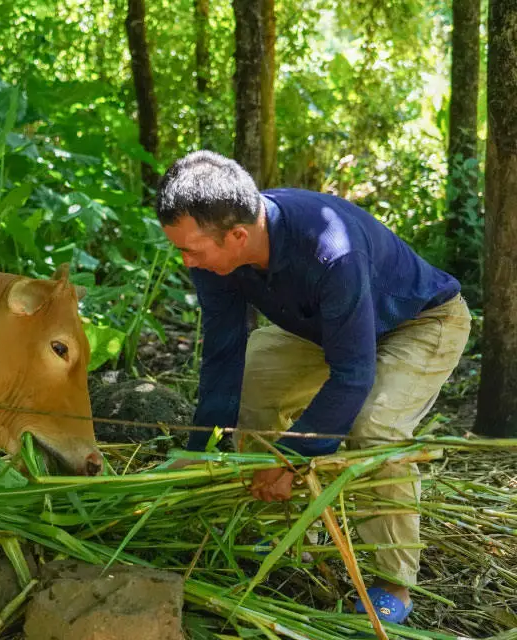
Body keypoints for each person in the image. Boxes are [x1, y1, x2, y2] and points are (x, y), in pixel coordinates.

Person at [157, 150, 471, 624]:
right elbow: (224, 352)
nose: (186, 261)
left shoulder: (331, 248)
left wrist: (294, 457)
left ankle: (394, 585)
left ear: (238, 235)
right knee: (253, 371)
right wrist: (202, 449)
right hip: (329, 328)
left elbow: (353, 373)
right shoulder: (214, 260)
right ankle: (281, 528)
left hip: (418, 324)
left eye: (191, 250)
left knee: (374, 427)